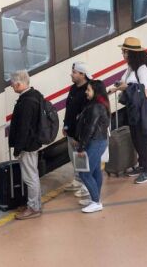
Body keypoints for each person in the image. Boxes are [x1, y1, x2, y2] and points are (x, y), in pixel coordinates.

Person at [108, 37, 147, 184]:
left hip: (141, 110)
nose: (123, 54)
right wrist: (115, 88)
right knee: (135, 137)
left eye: (124, 51)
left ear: (131, 53)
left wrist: (126, 87)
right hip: (133, 109)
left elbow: (146, 91)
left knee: (143, 139)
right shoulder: (131, 67)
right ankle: (141, 165)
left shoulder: (142, 68)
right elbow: (124, 82)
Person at [8, 70, 43, 220]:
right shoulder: (34, 95)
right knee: (32, 174)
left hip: (28, 145)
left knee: (30, 177)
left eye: (12, 84)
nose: (11, 87)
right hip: (32, 143)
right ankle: (35, 203)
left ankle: (33, 208)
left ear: (18, 84)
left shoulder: (27, 102)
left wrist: (18, 149)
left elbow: (23, 128)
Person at [74, 80, 110, 213]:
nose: (86, 92)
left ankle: (96, 202)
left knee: (84, 173)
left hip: (95, 142)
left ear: (96, 92)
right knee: (95, 171)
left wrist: (81, 147)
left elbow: (90, 128)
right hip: (98, 141)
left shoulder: (96, 107)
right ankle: (95, 197)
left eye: (88, 90)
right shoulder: (100, 104)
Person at [63, 61, 91, 198]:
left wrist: (77, 136)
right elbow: (69, 108)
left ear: (82, 74)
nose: (71, 74)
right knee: (73, 158)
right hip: (70, 130)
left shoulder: (88, 90)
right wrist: (65, 126)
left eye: (74, 72)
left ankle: (85, 185)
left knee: (81, 158)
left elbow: (85, 117)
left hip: (78, 134)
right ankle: (78, 180)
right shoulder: (73, 88)